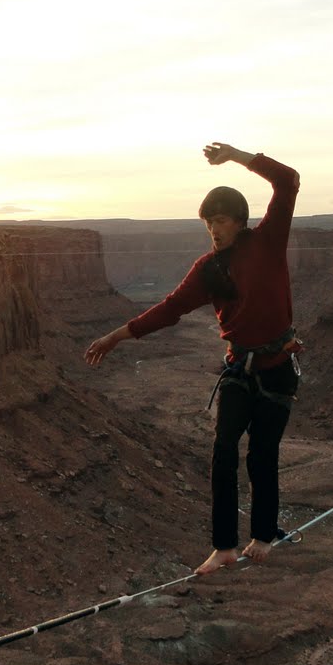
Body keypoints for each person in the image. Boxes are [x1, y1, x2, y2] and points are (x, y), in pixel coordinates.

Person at [85, 142, 301, 575]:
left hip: (277, 371)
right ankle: (223, 546)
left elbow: (288, 180)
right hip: (239, 370)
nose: (214, 230)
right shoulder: (209, 270)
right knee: (223, 452)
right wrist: (117, 335)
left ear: (239, 221)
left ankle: (262, 535)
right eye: (208, 224)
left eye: (220, 221)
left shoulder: (268, 241)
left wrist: (237, 156)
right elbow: (169, 309)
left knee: (262, 456)